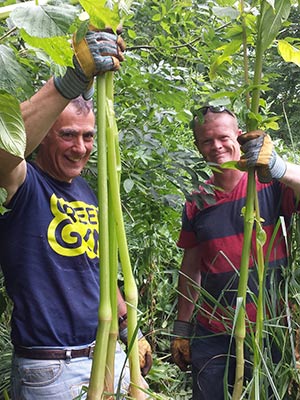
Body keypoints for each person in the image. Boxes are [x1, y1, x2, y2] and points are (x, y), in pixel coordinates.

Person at [0, 29, 152, 399]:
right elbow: (4, 153)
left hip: (110, 353)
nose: (81, 147)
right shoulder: (25, 183)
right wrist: (69, 83)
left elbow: (95, 269)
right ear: (42, 135)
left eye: (88, 136)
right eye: (68, 135)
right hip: (52, 367)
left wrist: (132, 328)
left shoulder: (86, 191)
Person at [171, 105, 300, 400]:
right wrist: (181, 328)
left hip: (270, 328)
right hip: (213, 332)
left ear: (239, 137)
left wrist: (279, 167)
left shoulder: (269, 185)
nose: (216, 146)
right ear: (198, 146)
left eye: (223, 137)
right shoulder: (197, 201)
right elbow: (191, 268)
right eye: (207, 140)